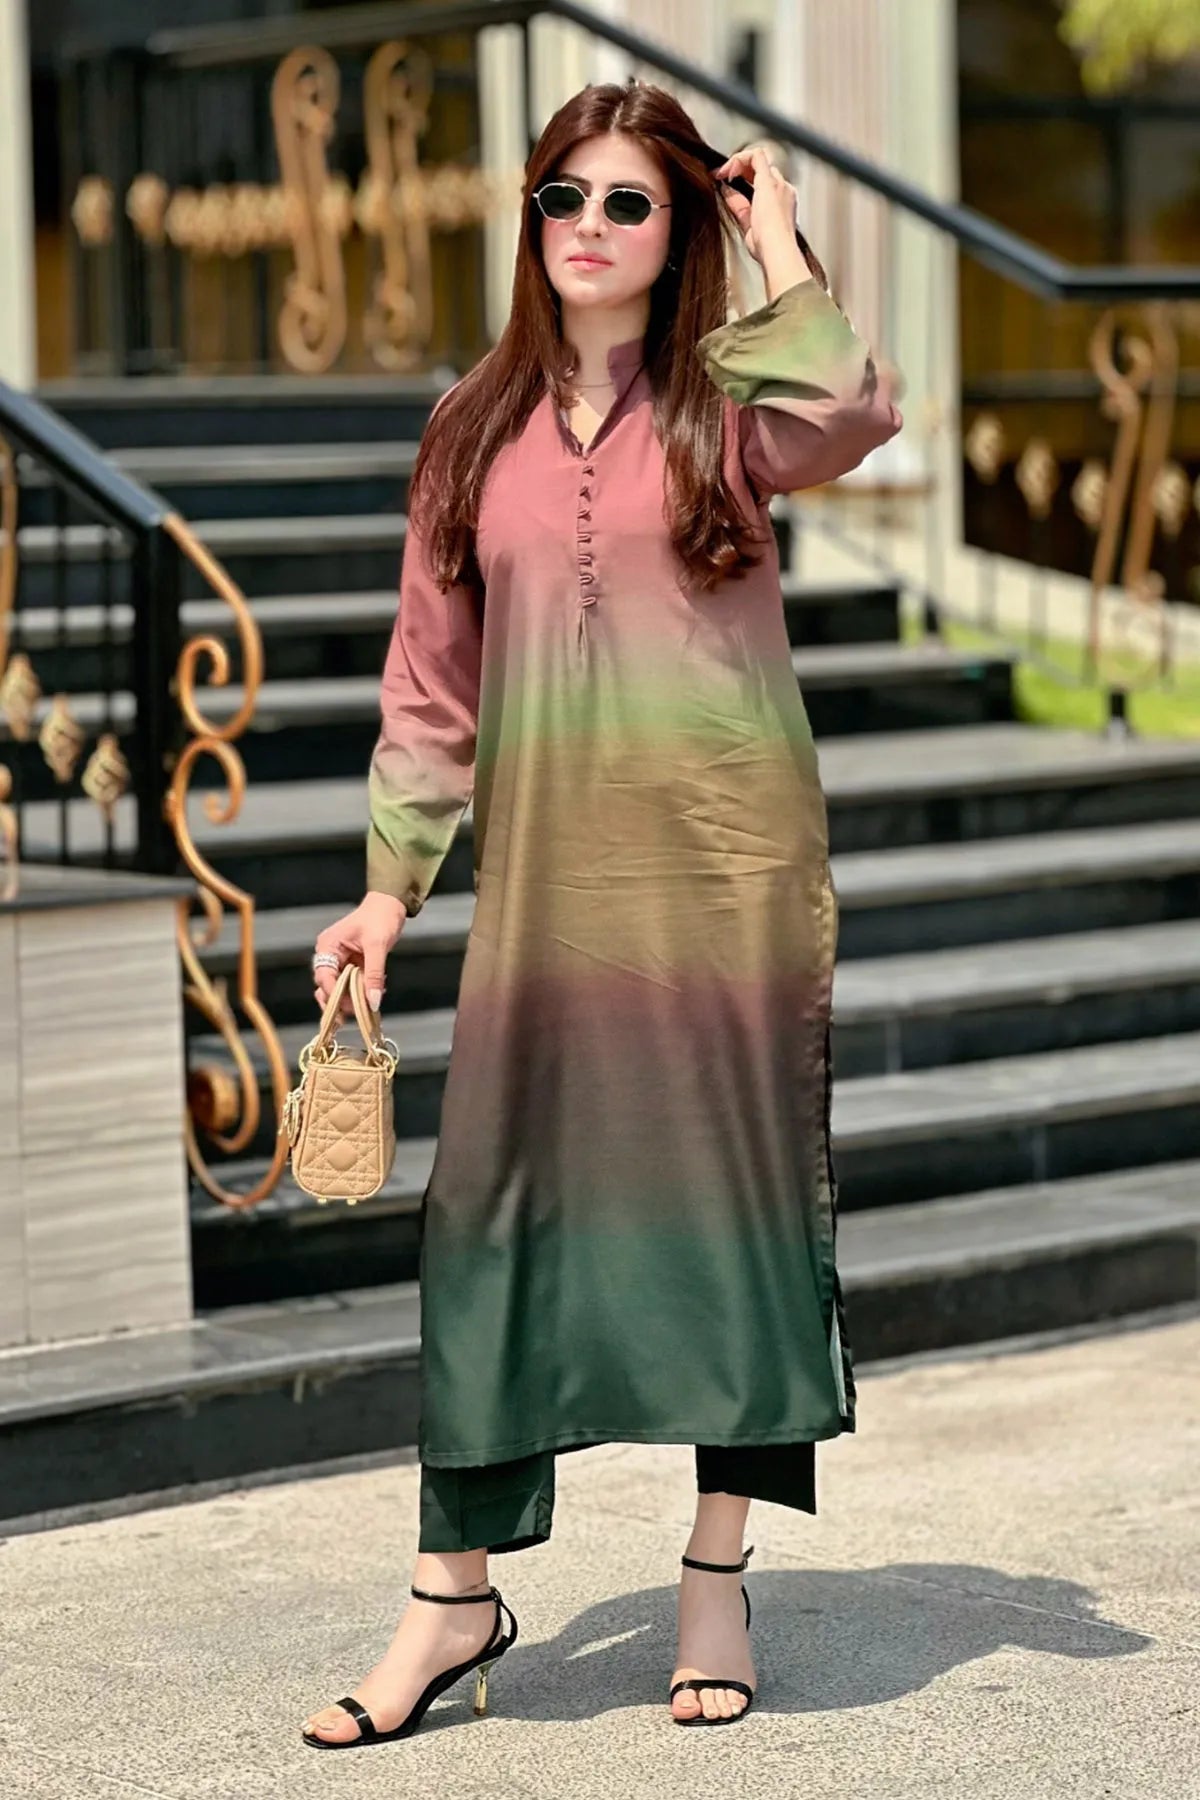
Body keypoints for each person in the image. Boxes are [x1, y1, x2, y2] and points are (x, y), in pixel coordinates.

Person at [301, 76, 902, 1749]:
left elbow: (857, 405)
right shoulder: (469, 427)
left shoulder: (735, 403)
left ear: (677, 224)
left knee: (730, 1208)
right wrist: (387, 888)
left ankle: (715, 1575)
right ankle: (453, 1596)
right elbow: (430, 685)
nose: (587, 227)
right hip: (548, 890)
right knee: (490, 1217)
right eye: (562, 197)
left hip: (725, 874)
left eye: (628, 200)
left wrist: (776, 239)